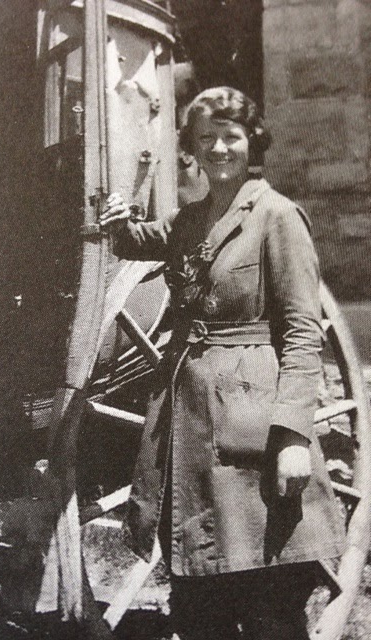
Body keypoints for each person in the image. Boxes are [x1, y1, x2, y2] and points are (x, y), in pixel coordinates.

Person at [100, 86, 345, 640]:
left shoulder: (278, 216)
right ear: (191, 148)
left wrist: (292, 437)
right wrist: (117, 219)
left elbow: (304, 332)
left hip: (253, 426)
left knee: (268, 604)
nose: (218, 149)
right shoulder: (192, 219)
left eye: (230, 137)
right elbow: (138, 240)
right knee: (200, 595)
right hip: (189, 429)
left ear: (250, 142)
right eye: (205, 138)